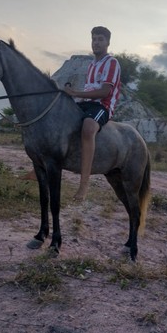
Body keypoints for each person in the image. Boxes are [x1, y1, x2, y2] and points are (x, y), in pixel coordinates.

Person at [65, 26, 121, 202]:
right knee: (58, 118)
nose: (96, 42)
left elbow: (104, 92)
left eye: (100, 39)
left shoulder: (112, 63)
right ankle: (39, 169)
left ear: (108, 42)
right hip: (87, 103)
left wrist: (75, 93)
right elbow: (90, 89)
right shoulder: (92, 65)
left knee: (88, 128)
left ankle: (83, 186)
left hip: (102, 106)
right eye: (94, 39)